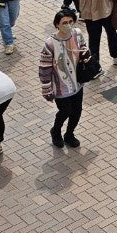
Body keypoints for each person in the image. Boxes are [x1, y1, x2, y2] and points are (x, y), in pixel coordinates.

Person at [39, 8, 90, 149]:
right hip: (60, 85)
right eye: (64, 22)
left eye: (70, 22)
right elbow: (44, 68)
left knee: (77, 111)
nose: (68, 25)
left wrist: (85, 55)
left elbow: (84, 48)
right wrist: (46, 89)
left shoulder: (77, 34)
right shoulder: (50, 44)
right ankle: (56, 131)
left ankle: (69, 134)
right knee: (65, 111)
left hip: (77, 83)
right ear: (57, 24)